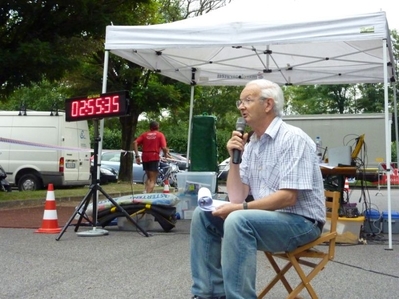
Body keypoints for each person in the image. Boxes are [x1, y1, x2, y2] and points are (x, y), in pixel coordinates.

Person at [190, 79, 326, 299]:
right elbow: (237, 196)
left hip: (302, 223)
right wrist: (235, 159)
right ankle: (208, 294)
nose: (241, 106)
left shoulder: (293, 138)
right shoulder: (252, 144)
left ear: (268, 104)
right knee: (203, 214)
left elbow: (288, 198)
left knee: (238, 219)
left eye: (248, 100)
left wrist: (240, 209)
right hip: (265, 218)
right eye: (240, 101)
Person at [133, 120, 171, 193]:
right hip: (153, 156)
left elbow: (135, 142)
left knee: (149, 177)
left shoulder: (144, 134)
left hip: (145, 156)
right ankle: (147, 195)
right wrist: (167, 153)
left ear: (150, 127)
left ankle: (145, 191)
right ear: (158, 127)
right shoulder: (160, 135)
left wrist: (137, 156)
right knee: (153, 179)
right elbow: (163, 147)